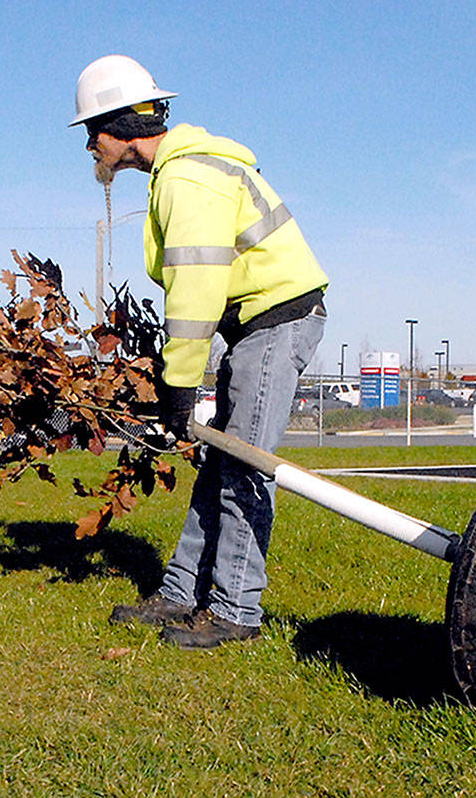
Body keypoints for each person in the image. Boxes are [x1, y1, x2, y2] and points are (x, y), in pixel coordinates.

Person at [71, 55, 329, 649]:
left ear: (119, 129)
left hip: (277, 322)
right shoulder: (180, 174)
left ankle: (235, 612)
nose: (91, 148)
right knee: (219, 464)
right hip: (256, 325)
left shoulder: (187, 181)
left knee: (243, 466)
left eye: (92, 134)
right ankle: (181, 594)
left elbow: (197, 288)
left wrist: (179, 382)